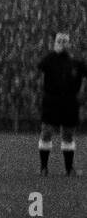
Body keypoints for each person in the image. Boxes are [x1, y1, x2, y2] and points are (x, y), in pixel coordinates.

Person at [36, 32, 87, 176]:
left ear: (69, 43)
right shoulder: (50, 59)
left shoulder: (76, 61)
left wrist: (82, 92)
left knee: (68, 134)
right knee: (46, 132)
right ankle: (43, 168)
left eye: (65, 41)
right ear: (55, 42)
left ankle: (69, 169)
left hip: (70, 101)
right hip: (51, 100)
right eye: (59, 41)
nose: (62, 43)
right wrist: (54, 52)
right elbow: (40, 65)